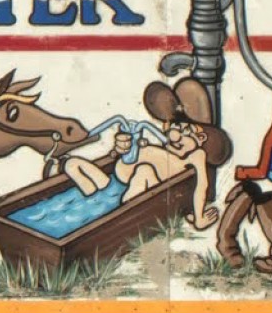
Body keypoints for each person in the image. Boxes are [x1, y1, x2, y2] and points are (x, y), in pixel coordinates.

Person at [59, 79, 231, 232]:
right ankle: (91, 202)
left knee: (144, 170)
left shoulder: (196, 155)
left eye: (186, 132)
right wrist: (121, 148)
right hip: (111, 186)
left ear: (200, 138)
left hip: (128, 201)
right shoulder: (163, 145)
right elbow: (122, 155)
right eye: (176, 128)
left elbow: (201, 185)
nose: (175, 136)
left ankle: (114, 214)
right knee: (72, 164)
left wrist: (199, 218)